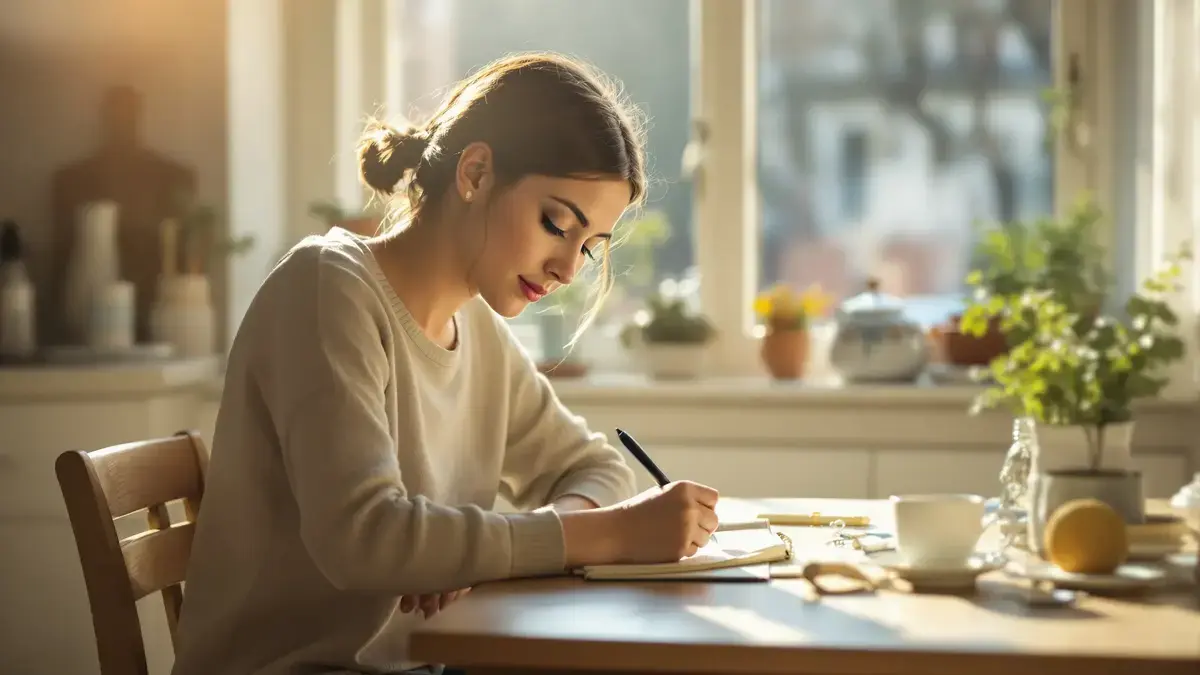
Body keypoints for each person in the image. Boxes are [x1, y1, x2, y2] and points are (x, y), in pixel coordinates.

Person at [170, 52, 721, 675]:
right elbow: (363, 539)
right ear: (476, 173)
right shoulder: (327, 290)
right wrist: (609, 535)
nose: (568, 269)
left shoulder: (477, 327)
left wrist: (475, 554)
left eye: (589, 246)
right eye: (556, 224)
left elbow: (594, 467)